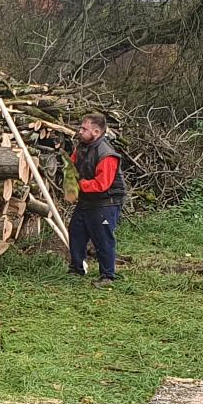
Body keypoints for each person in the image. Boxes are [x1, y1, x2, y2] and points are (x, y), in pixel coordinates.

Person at [68, 113, 125, 282]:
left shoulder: (107, 154)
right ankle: (76, 269)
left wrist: (80, 185)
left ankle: (107, 275)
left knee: (103, 239)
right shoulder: (82, 147)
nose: (80, 131)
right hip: (87, 200)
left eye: (84, 129)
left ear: (96, 132)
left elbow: (102, 184)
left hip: (106, 203)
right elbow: (72, 165)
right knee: (76, 232)